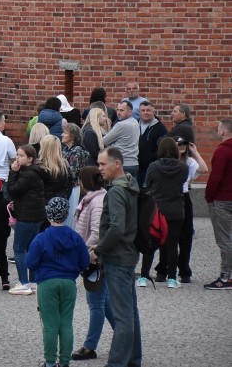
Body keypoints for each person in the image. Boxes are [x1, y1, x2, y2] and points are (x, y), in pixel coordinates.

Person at [90, 147, 142, 367]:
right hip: (128, 253)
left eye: (103, 164)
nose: (99, 168)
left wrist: (98, 250)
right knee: (130, 312)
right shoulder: (130, 184)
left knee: (122, 316)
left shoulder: (116, 191)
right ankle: (133, 359)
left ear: (117, 163)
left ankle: (118, 363)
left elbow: (117, 227)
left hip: (118, 257)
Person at [27, 197, 90, 367]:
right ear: (66, 214)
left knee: (50, 324)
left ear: (48, 215)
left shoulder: (41, 238)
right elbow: (85, 262)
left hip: (47, 282)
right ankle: (64, 362)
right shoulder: (75, 237)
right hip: (69, 282)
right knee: (66, 323)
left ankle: (49, 362)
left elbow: (30, 263)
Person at [72, 166, 114, 362]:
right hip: (91, 255)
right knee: (103, 302)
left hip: (94, 257)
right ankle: (125, 335)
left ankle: (90, 347)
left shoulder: (97, 202)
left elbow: (97, 232)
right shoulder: (92, 198)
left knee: (95, 303)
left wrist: (86, 252)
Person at [137, 137, 187, 288]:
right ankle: (172, 278)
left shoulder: (153, 166)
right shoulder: (183, 167)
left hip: (156, 210)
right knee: (172, 244)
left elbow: (148, 184)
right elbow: (183, 182)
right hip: (176, 209)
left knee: (150, 244)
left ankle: (144, 276)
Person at [164, 136, 207, 284]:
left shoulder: (189, 162)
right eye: (178, 144)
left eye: (184, 144)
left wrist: (195, 152)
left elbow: (203, 169)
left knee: (186, 235)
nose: (182, 146)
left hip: (184, 197)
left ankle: (184, 269)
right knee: (167, 235)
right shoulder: (166, 162)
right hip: (168, 198)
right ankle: (165, 269)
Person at [6, 145, 47, 295]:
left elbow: (12, 190)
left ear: (30, 159)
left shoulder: (28, 174)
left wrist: (13, 172)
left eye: (21, 155)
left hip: (27, 215)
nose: (17, 158)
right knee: (31, 247)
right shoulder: (34, 171)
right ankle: (32, 281)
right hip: (36, 214)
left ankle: (24, 282)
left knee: (19, 248)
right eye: (17, 154)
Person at [204, 119, 232, 290]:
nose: (217, 130)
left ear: (223, 131)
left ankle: (226, 277)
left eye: (219, 128)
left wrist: (208, 197)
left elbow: (216, 177)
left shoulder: (222, 151)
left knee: (225, 240)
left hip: (222, 200)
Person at [62, 122, 90, 229]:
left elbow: (73, 173)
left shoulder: (77, 151)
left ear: (72, 136)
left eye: (65, 132)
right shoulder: (66, 149)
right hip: (66, 187)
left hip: (73, 188)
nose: (62, 135)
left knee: (71, 215)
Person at [102, 101, 140, 178]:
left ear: (130, 112)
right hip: (134, 163)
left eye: (122, 110)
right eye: (118, 110)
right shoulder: (135, 122)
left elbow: (104, 141)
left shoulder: (121, 125)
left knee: (118, 189)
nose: (118, 113)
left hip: (122, 163)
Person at [136, 100, 168, 188]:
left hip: (151, 167)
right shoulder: (134, 125)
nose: (145, 113)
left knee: (147, 193)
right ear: (139, 112)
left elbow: (163, 148)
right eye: (143, 110)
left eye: (148, 110)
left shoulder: (161, 128)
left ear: (153, 112)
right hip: (136, 166)